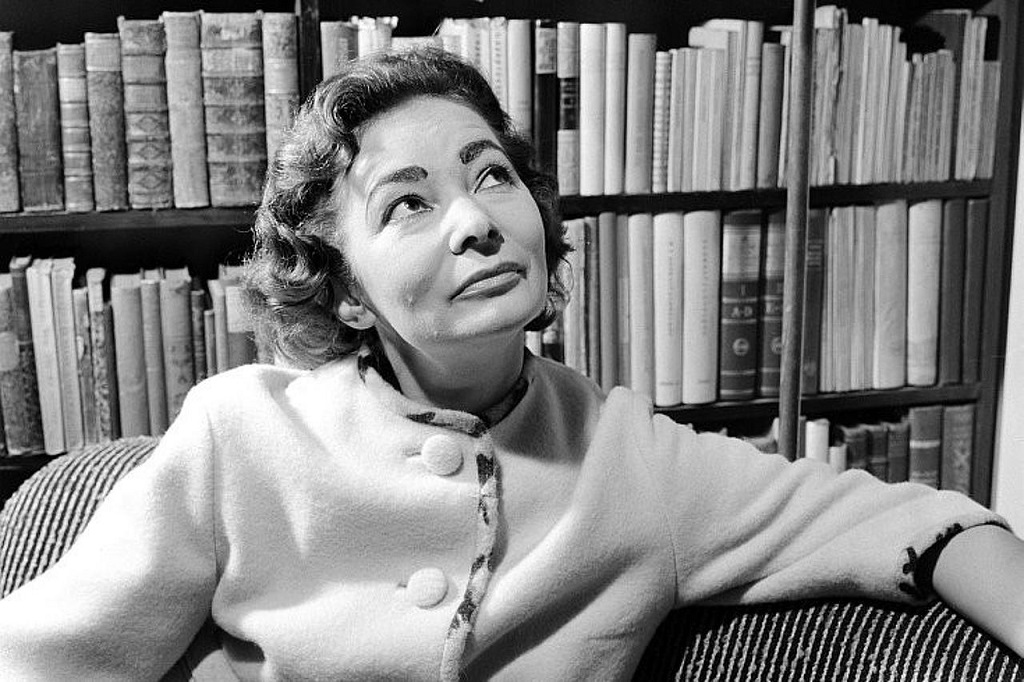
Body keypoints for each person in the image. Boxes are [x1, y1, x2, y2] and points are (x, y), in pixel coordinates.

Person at [0, 46, 1022, 681]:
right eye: (407, 202)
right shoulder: (240, 434)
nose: (476, 221)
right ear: (344, 287)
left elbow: (915, 525)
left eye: (490, 175)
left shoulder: (636, 462)